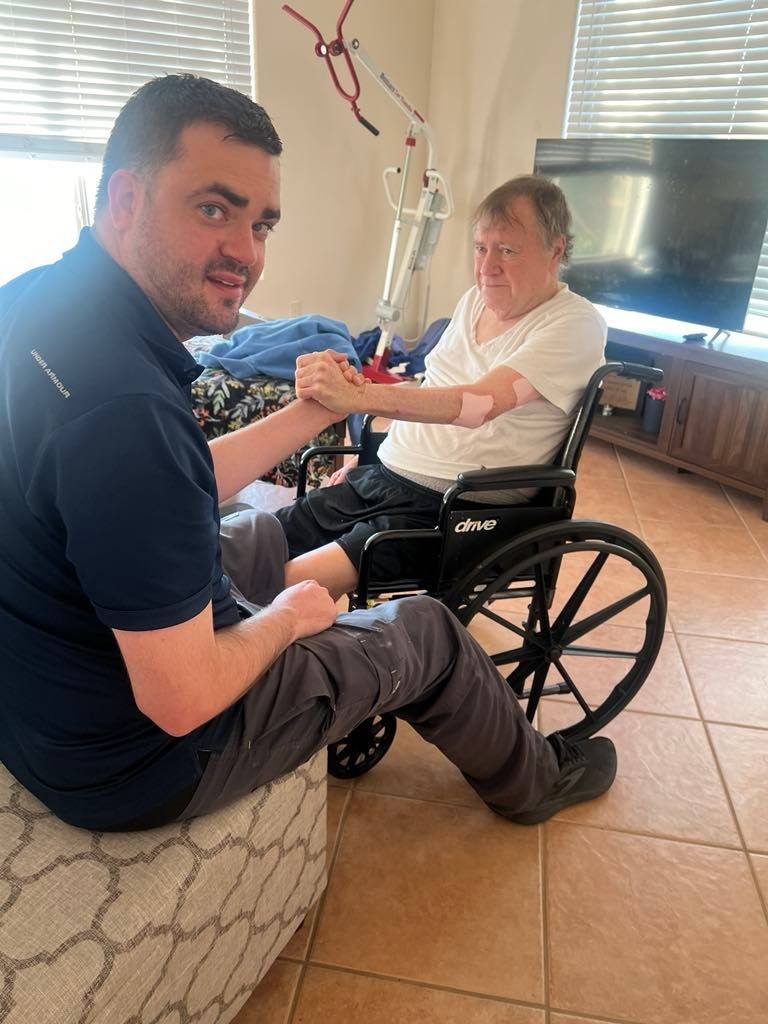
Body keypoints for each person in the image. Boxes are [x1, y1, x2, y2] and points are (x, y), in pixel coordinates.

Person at [0, 74, 616, 834]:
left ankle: (269, 603)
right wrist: (289, 617)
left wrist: (309, 413)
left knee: (251, 533)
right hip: (143, 758)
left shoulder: (31, 302)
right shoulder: (124, 410)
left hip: (44, 707)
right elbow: (182, 698)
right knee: (425, 628)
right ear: (127, 201)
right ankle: (536, 785)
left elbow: (172, 477)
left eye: (262, 224)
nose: (245, 253)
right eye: (213, 208)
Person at [276, 176, 606, 598]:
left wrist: (357, 397)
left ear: (555, 250)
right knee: (258, 544)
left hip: (456, 509)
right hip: (387, 478)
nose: (487, 267)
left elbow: (477, 406)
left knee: (285, 583)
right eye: (481, 248)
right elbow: (435, 385)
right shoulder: (473, 301)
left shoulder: (574, 325)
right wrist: (370, 455)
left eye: (507, 250)